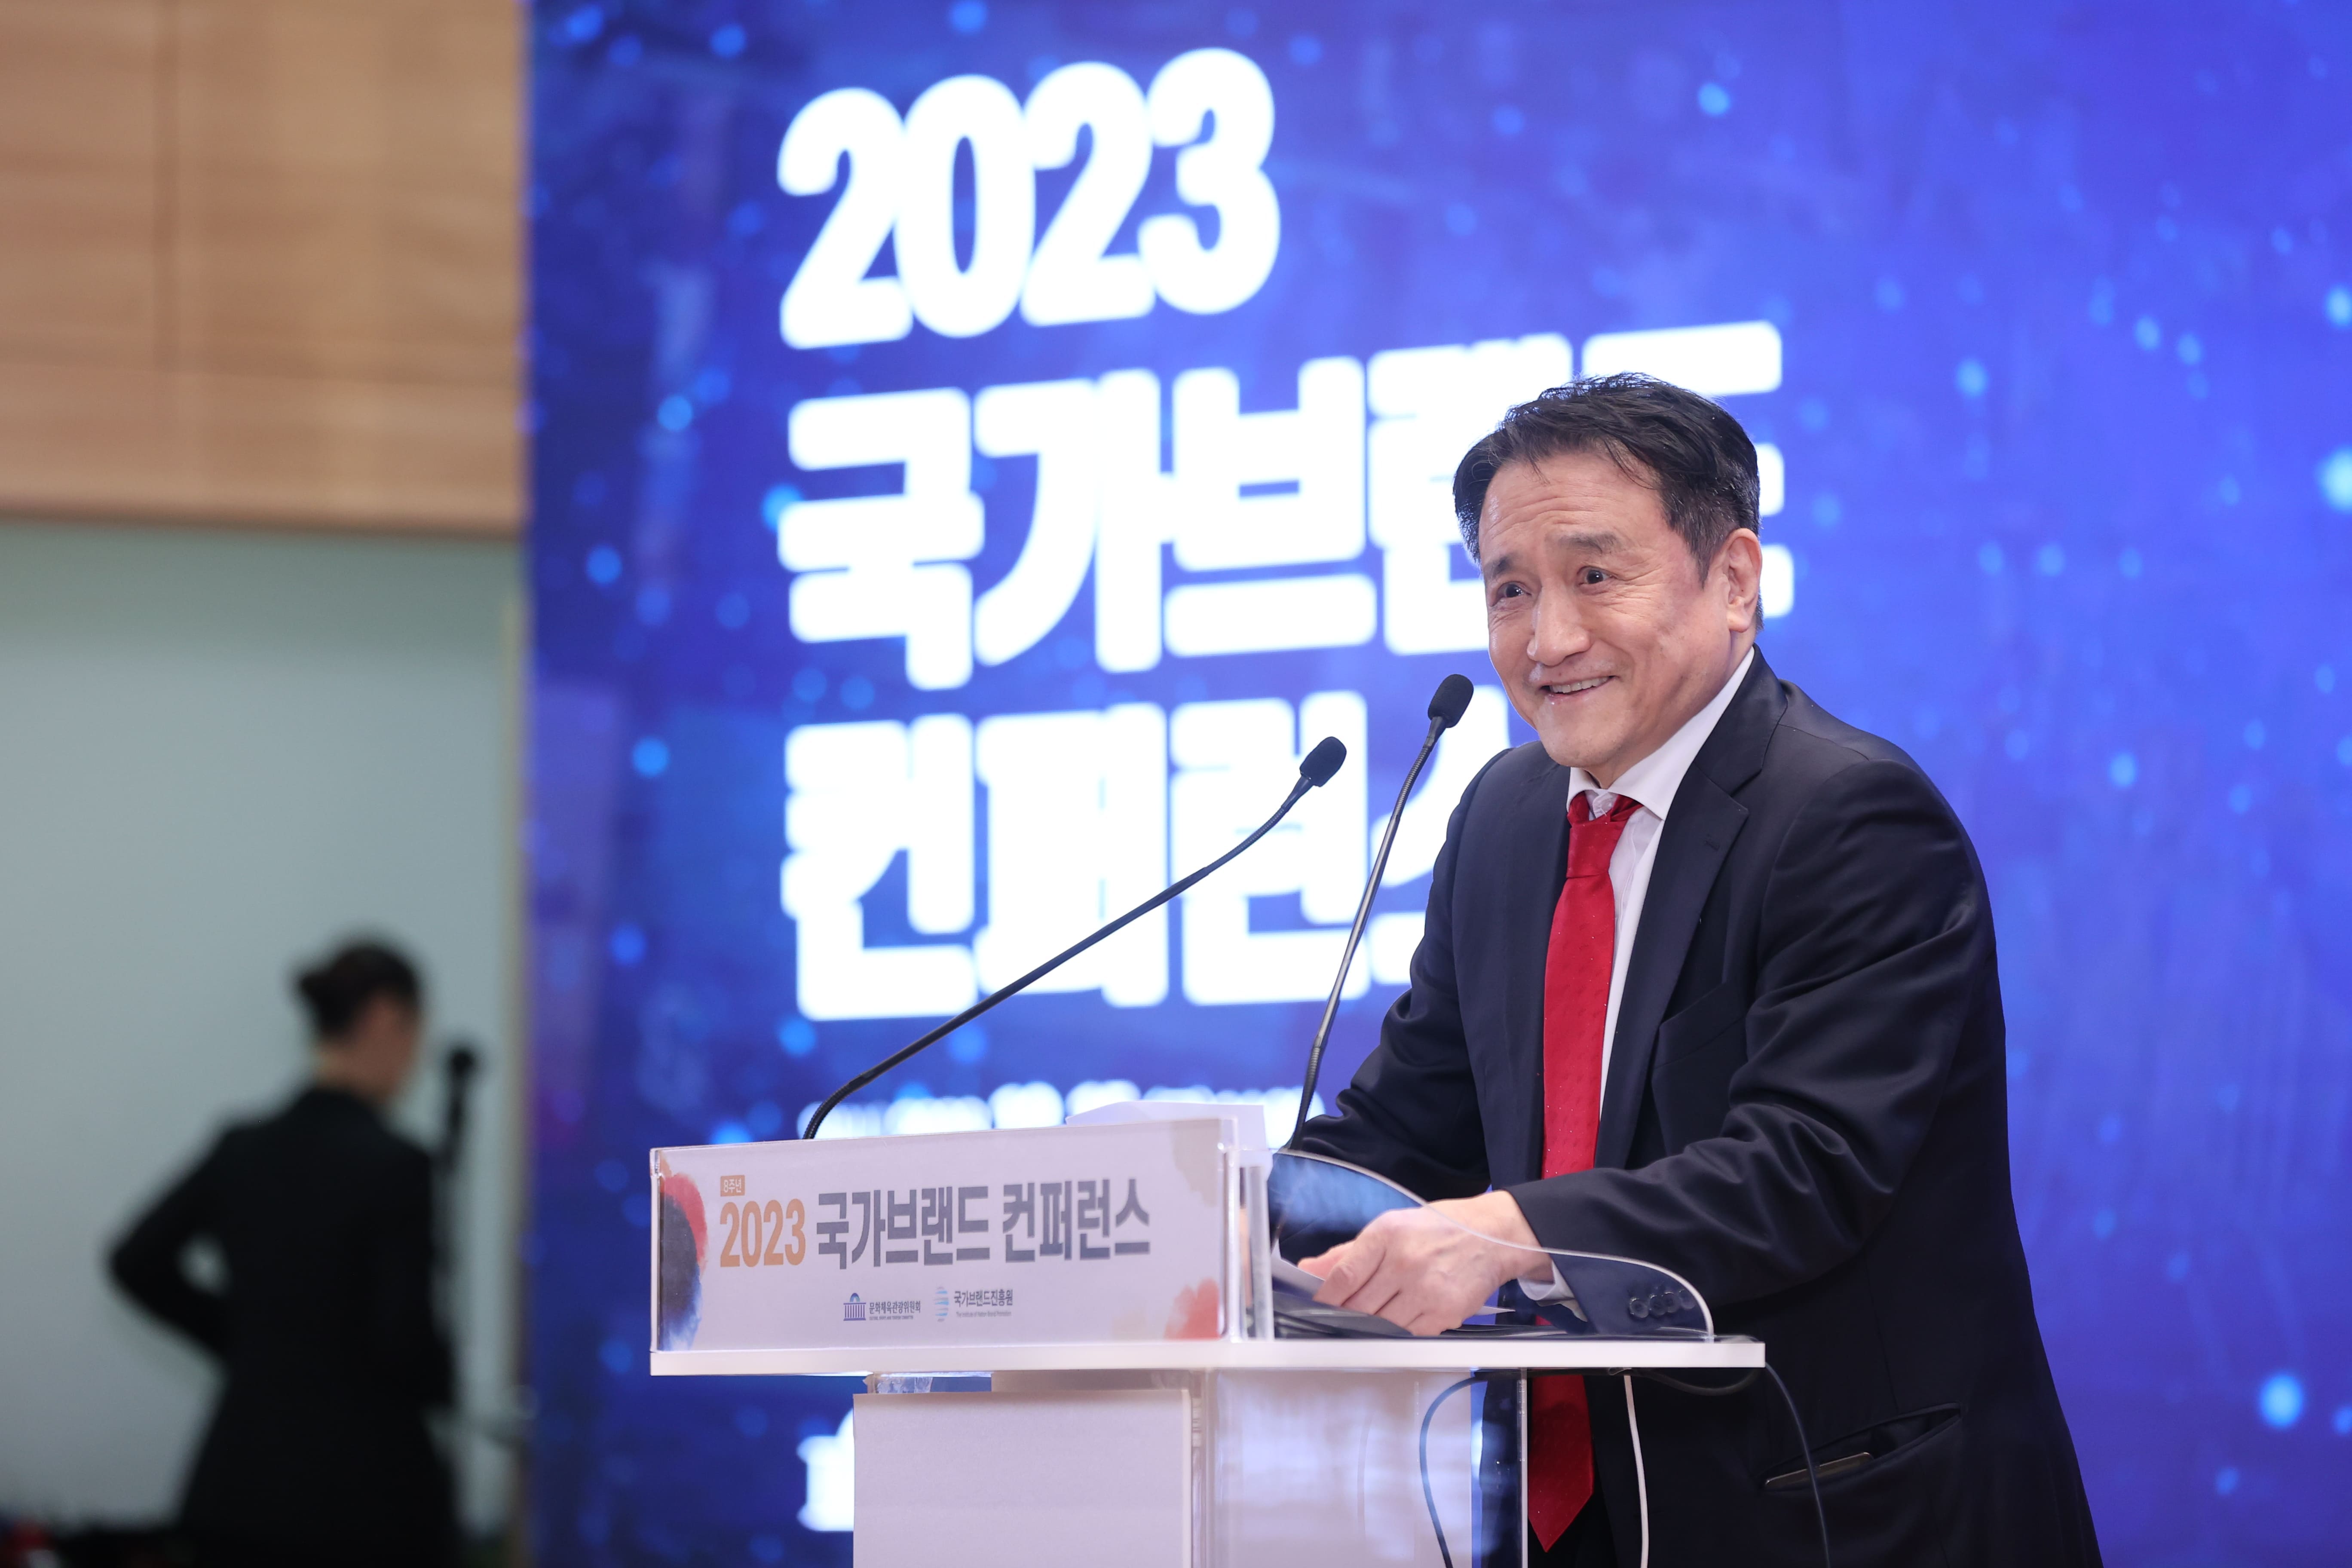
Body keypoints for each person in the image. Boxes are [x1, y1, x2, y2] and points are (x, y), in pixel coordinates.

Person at [1294, 375, 2100, 1566]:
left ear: (1734, 580)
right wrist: (1215, 1217)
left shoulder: (1852, 818)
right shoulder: (1505, 818)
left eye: (1595, 575)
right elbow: (1409, 1128)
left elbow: (1804, 1168)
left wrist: (1513, 1235)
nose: (1547, 639)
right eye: (1510, 589)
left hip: (1835, 1513)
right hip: (1572, 1519)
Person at [110, 941, 456, 1568]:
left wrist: (245, 1340)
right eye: (415, 1036)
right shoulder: (396, 1165)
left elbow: (135, 1262)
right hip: (366, 1497)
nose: (415, 1061)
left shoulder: (242, 1149)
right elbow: (403, 1341)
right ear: (385, 1019)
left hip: (241, 1489)